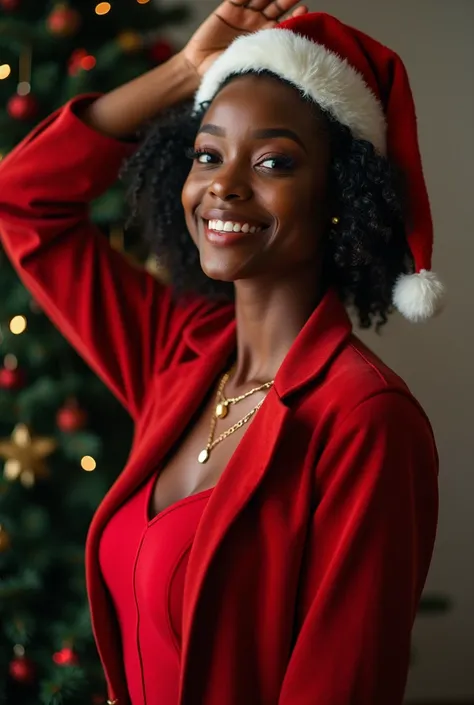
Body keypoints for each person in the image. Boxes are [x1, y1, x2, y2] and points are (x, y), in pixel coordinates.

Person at [0, 2, 442, 704]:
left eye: (273, 161)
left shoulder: (365, 421)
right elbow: (25, 200)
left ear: (340, 196)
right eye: (208, 154)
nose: (224, 185)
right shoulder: (177, 354)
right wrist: (183, 71)